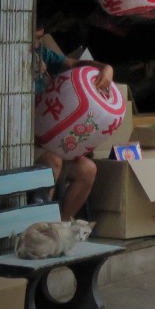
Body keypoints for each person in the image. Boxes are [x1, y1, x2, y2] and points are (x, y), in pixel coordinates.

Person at [32, 23, 114, 221]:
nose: (37, 43)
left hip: (51, 139)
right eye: (33, 39)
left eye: (40, 39)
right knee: (53, 161)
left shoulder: (41, 53)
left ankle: (62, 225)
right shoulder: (12, 58)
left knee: (87, 169)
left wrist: (106, 69)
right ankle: (39, 225)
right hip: (28, 142)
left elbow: (74, 64)